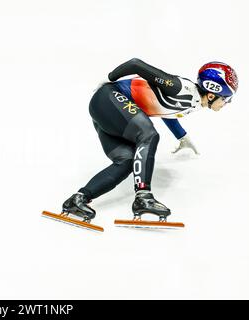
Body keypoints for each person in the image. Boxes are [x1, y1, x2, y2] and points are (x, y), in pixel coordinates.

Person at [62, 58, 238, 221]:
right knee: (149, 135)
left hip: (108, 112)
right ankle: (143, 197)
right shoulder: (179, 87)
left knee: (127, 161)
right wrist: (108, 78)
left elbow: (167, 111)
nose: (226, 103)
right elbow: (135, 64)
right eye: (226, 98)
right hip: (108, 97)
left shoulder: (194, 102)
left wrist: (182, 136)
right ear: (211, 93)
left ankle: (78, 199)